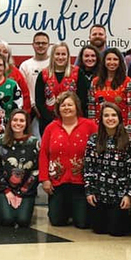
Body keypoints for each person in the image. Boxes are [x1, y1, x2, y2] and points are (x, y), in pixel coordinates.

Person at [39, 91, 97, 228]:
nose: (66, 108)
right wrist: (44, 179)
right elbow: (43, 154)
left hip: (82, 183)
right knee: (57, 221)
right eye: (63, 105)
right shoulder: (51, 128)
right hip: (58, 182)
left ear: (77, 106)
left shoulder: (90, 126)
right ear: (58, 108)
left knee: (82, 223)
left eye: (70, 105)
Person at [84, 103, 131, 236]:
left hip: (119, 195)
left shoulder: (128, 141)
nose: (110, 118)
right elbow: (88, 167)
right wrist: (89, 191)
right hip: (99, 193)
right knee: (99, 230)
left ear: (119, 118)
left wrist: (128, 195)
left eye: (114, 115)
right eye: (106, 115)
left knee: (116, 231)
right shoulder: (93, 140)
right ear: (101, 119)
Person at [0, 109, 40, 227]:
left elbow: (37, 171)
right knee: (7, 220)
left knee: (23, 221)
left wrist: (22, 192)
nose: (18, 123)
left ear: (26, 123)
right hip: (4, 188)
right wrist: (7, 191)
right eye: (15, 120)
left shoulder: (34, 143)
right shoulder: (0, 140)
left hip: (26, 189)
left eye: (22, 120)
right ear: (10, 122)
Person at [34, 42, 78, 134]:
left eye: (63, 54)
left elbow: (82, 98)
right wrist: (50, 119)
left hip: (72, 121)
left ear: (68, 56)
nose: (60, 57)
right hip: (48, 122)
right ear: (52, 56)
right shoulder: (43, 74)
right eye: (57, 54)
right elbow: (39, 101)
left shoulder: (77, 73)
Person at [89, 48, 131, 135]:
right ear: (104, 62)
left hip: (121, 129)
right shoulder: (95, 82)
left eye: (115, 59)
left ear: (120, 62)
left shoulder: (128, 82)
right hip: (100, 129)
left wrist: (129, 130)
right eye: (109, 59)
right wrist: (93, 129)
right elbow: (91, 108)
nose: (112, 62)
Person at [18, 32, 51, 135]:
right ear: (33, 45)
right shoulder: (25, 65)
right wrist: (33, 105)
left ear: (48, 45)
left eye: (44, 43)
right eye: (38, 43)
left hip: (51, 110)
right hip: (31, 111)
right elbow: (23, 88)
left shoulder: (53, 63)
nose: (40, 45)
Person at [76, 46, 100, 119]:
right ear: (81, 58)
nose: (90, 59)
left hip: (98, 114)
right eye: (86, 56)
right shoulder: (76, 74)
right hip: (80, 114)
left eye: (93, 56)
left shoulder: (102, 74)